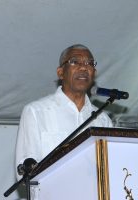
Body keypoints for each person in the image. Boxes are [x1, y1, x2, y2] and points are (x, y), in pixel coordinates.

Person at [15, 44, 113, 181]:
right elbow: (24, 175)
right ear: (60, 72)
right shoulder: (36, 112)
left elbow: (111, 169)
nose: (84, 67)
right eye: (75, 62)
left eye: (89, 63)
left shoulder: (103, 120)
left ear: (94, 73)